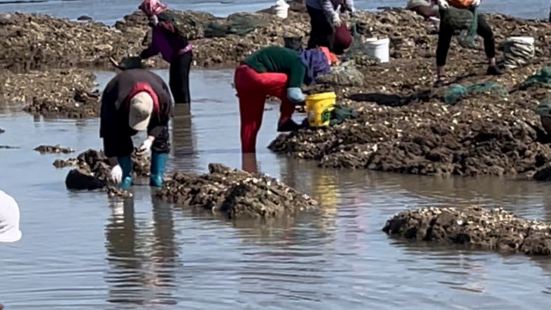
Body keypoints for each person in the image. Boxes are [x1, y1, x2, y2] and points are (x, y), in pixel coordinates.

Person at [234, 46, 331, 153]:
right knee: (291, 85)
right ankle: (284, 120)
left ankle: (248, 157)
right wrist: (310, 100)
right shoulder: (300, 62)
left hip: (241, 76)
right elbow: (294, 94)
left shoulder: (294, 56)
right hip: (255, 77)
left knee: (251, 124)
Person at [100, 69, 173, 189]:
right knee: (120, 140)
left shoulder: (163, 100)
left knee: (161, 139)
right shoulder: (115, 103)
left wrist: (150, 140)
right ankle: (125, 178)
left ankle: (157, 178)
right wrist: (114, 165)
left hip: (155, 92)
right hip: (119, 100)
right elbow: (108, 133)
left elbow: (162, 122)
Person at [434, 0, 502, 85]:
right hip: (450, 9)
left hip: (469, 10)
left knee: (487, 32)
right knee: (444, 41)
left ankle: (492, 65)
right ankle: (441, 76)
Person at [138, 0, 193, 105]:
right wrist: (142, 55)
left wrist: (159, 24)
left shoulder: (165, 17)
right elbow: (156, 47)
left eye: (145, 10)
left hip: (183, 55)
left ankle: (185, 111)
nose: (145, 14)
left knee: (181, 86)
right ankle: (180, 107)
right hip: (176, 57)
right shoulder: (156, 23)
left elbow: (173, 31)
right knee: (174, 84)